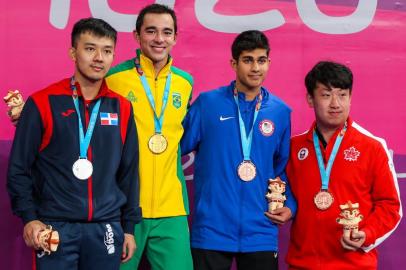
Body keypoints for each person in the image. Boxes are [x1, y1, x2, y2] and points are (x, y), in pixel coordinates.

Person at [7, 18, 141, 270]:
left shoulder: (121, 107)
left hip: (106, 227)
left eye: (107, 50)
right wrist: (29, 218)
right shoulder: (44, 102)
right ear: (73, 52)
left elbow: (129, 172)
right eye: (90, 48)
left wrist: (129, 227)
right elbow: (19, 168)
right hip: (54, 227)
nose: (99, 57)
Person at [181, 30, 296, 270]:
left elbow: (282, 170)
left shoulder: (280, 112)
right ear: (234, 63)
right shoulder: (208, 104)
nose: (255, 68)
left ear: (269, 63)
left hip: (261, 231)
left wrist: (290, 207)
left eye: (261, 60)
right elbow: (174, 148)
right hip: (212, 230)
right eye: (248, 60)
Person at [286, 61, 402, 269]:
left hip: (353, 264)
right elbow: (286, 197)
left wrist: (367, 234)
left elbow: (391, 207)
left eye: (342, 94)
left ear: (350, 98)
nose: (335, 104)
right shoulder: (293, 148)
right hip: (301, 264)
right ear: (310, 99)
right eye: (326, 94)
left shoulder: (373, 147)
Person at [106, 4, 193, 270]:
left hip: (172, 208)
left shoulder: (184, 82)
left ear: (175, 37)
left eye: (167, 32)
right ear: (136, 35)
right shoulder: (113, 79)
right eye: (151, 31)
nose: (159, 39)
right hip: (124, 207)